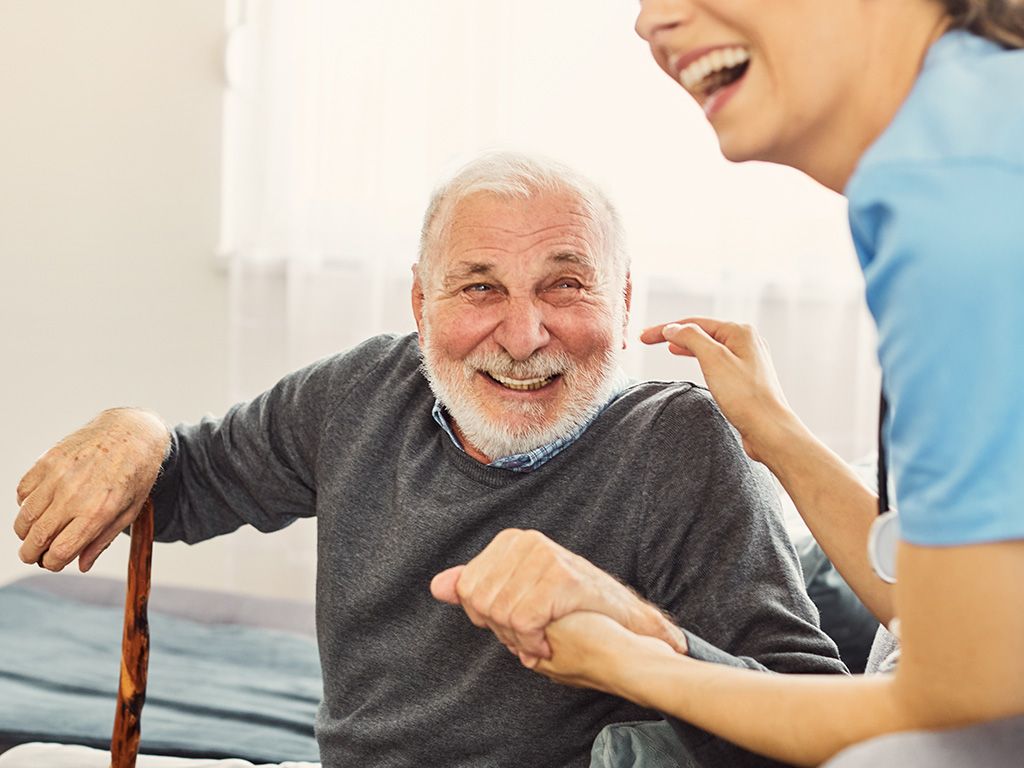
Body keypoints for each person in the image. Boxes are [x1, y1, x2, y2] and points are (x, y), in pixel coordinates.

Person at [12, 152, 845, 768]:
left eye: (564, 286)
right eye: (480, 287)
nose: (523, 336)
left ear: (624, 305)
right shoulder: (361, 392)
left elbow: (813, 725)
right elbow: (188, 480)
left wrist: (638, 629)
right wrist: (135, 428)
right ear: (421, 304)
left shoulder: (680, 446)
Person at [443, 3, 1024, 767]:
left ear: (619, 302)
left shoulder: (959, 182)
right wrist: (774, 433)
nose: (652, 22)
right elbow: (970, 625)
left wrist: (627, 652)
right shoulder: (970, 133)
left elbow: (959, 699)